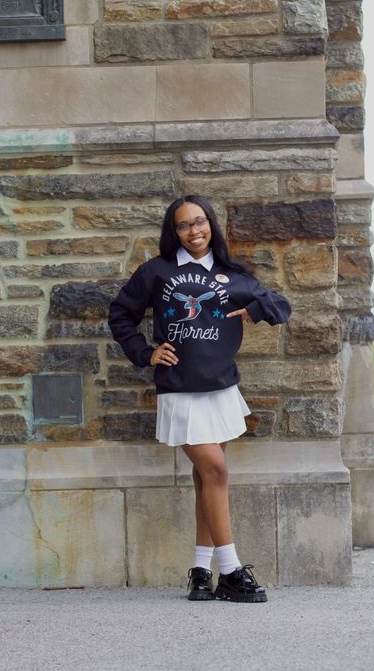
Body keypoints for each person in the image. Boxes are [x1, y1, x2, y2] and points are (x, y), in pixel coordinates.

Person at [108, 195, 292, 602]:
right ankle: (230, 571)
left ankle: (200, 571)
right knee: (217, 472)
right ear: (174, 232)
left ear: (211, 224)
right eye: (185, 225)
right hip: (180, 388)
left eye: (200, 221)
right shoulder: (157, 272)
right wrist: (146, 352)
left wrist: (252, 309)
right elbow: (120, 314)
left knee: (206, 478)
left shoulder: (233, 275)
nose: (195, 231)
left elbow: (281, 307)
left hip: (222, 387)